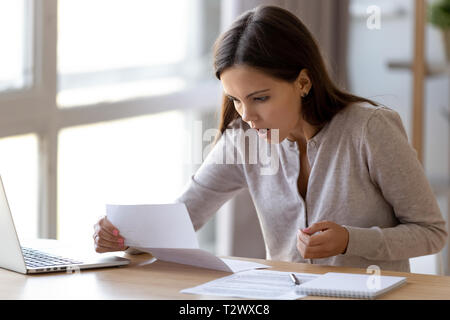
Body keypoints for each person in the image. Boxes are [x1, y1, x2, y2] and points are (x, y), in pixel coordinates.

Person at [92, 5, 447, 272]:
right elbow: (184, 216)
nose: (247, 115)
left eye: (260, 98)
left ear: (303, 83)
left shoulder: (370, 130)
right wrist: (127, 237)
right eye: (235, 100)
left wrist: (352, 240)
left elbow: (431, 232)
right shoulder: (242, 140)